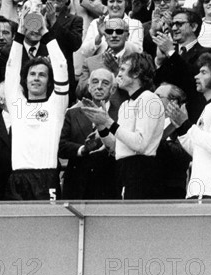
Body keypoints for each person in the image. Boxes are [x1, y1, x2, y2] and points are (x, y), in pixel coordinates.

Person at [4, 9, 69, 200]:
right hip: (18, 177)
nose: (36, 78)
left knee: (48, 228)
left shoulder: (56, 105)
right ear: (25, 79)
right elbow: (11, 68)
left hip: (47, 177)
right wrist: (20, 34)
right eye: (32, 74)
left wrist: (46, 34)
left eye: (42, 74)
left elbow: (61, 65)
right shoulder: (17, 105)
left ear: (50, 81)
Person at [82, 53, 165, 200]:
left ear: (137, 73)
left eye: (122, 69)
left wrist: (108, 121)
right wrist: (101, 125)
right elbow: (115, 146)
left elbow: (140, 144)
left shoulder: (149, 99)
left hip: (141, 171)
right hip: (122, 170)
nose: (118, 74)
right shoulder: (125, 105)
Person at [166, 53, 211, 199]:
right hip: (199, 191)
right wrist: (181, 127)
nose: (196, 76)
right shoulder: (210, 106)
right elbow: (197, 149)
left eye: (203, 72)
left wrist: (186, 124)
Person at [58, 67, 120, 200]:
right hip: (76, 185)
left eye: (105, 83)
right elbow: (61, 147)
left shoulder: (121, 113)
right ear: (89, 86)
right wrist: (83, 149)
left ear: (113, 89)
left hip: (108, 183)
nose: (99, 87)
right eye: (95, 82)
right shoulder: (73, 113)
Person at [154, 8, 211, 121]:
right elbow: (157, 84)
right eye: (172, 24)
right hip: (164, 117)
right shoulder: (171, 56)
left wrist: (171, 52)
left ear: (193, 27)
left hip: (191, 117)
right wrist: (159, 62)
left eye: (179, 24)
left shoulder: (208, 53)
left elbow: (192, 81)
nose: (173, 28)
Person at [77, 17, 138, 99]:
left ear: (127, 36)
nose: (114, 35)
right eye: (109, 32)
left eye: (119, 32)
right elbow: (79, 93)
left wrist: (117, 72)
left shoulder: (136, 62)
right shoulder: (90, 62)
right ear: (105, 36)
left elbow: (138, 93)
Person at [153, 82, 192, 199]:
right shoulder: (148, 125)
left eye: (158, 97)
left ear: (173, 102)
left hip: (169, 194)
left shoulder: (181, 128)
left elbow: (183, 155)